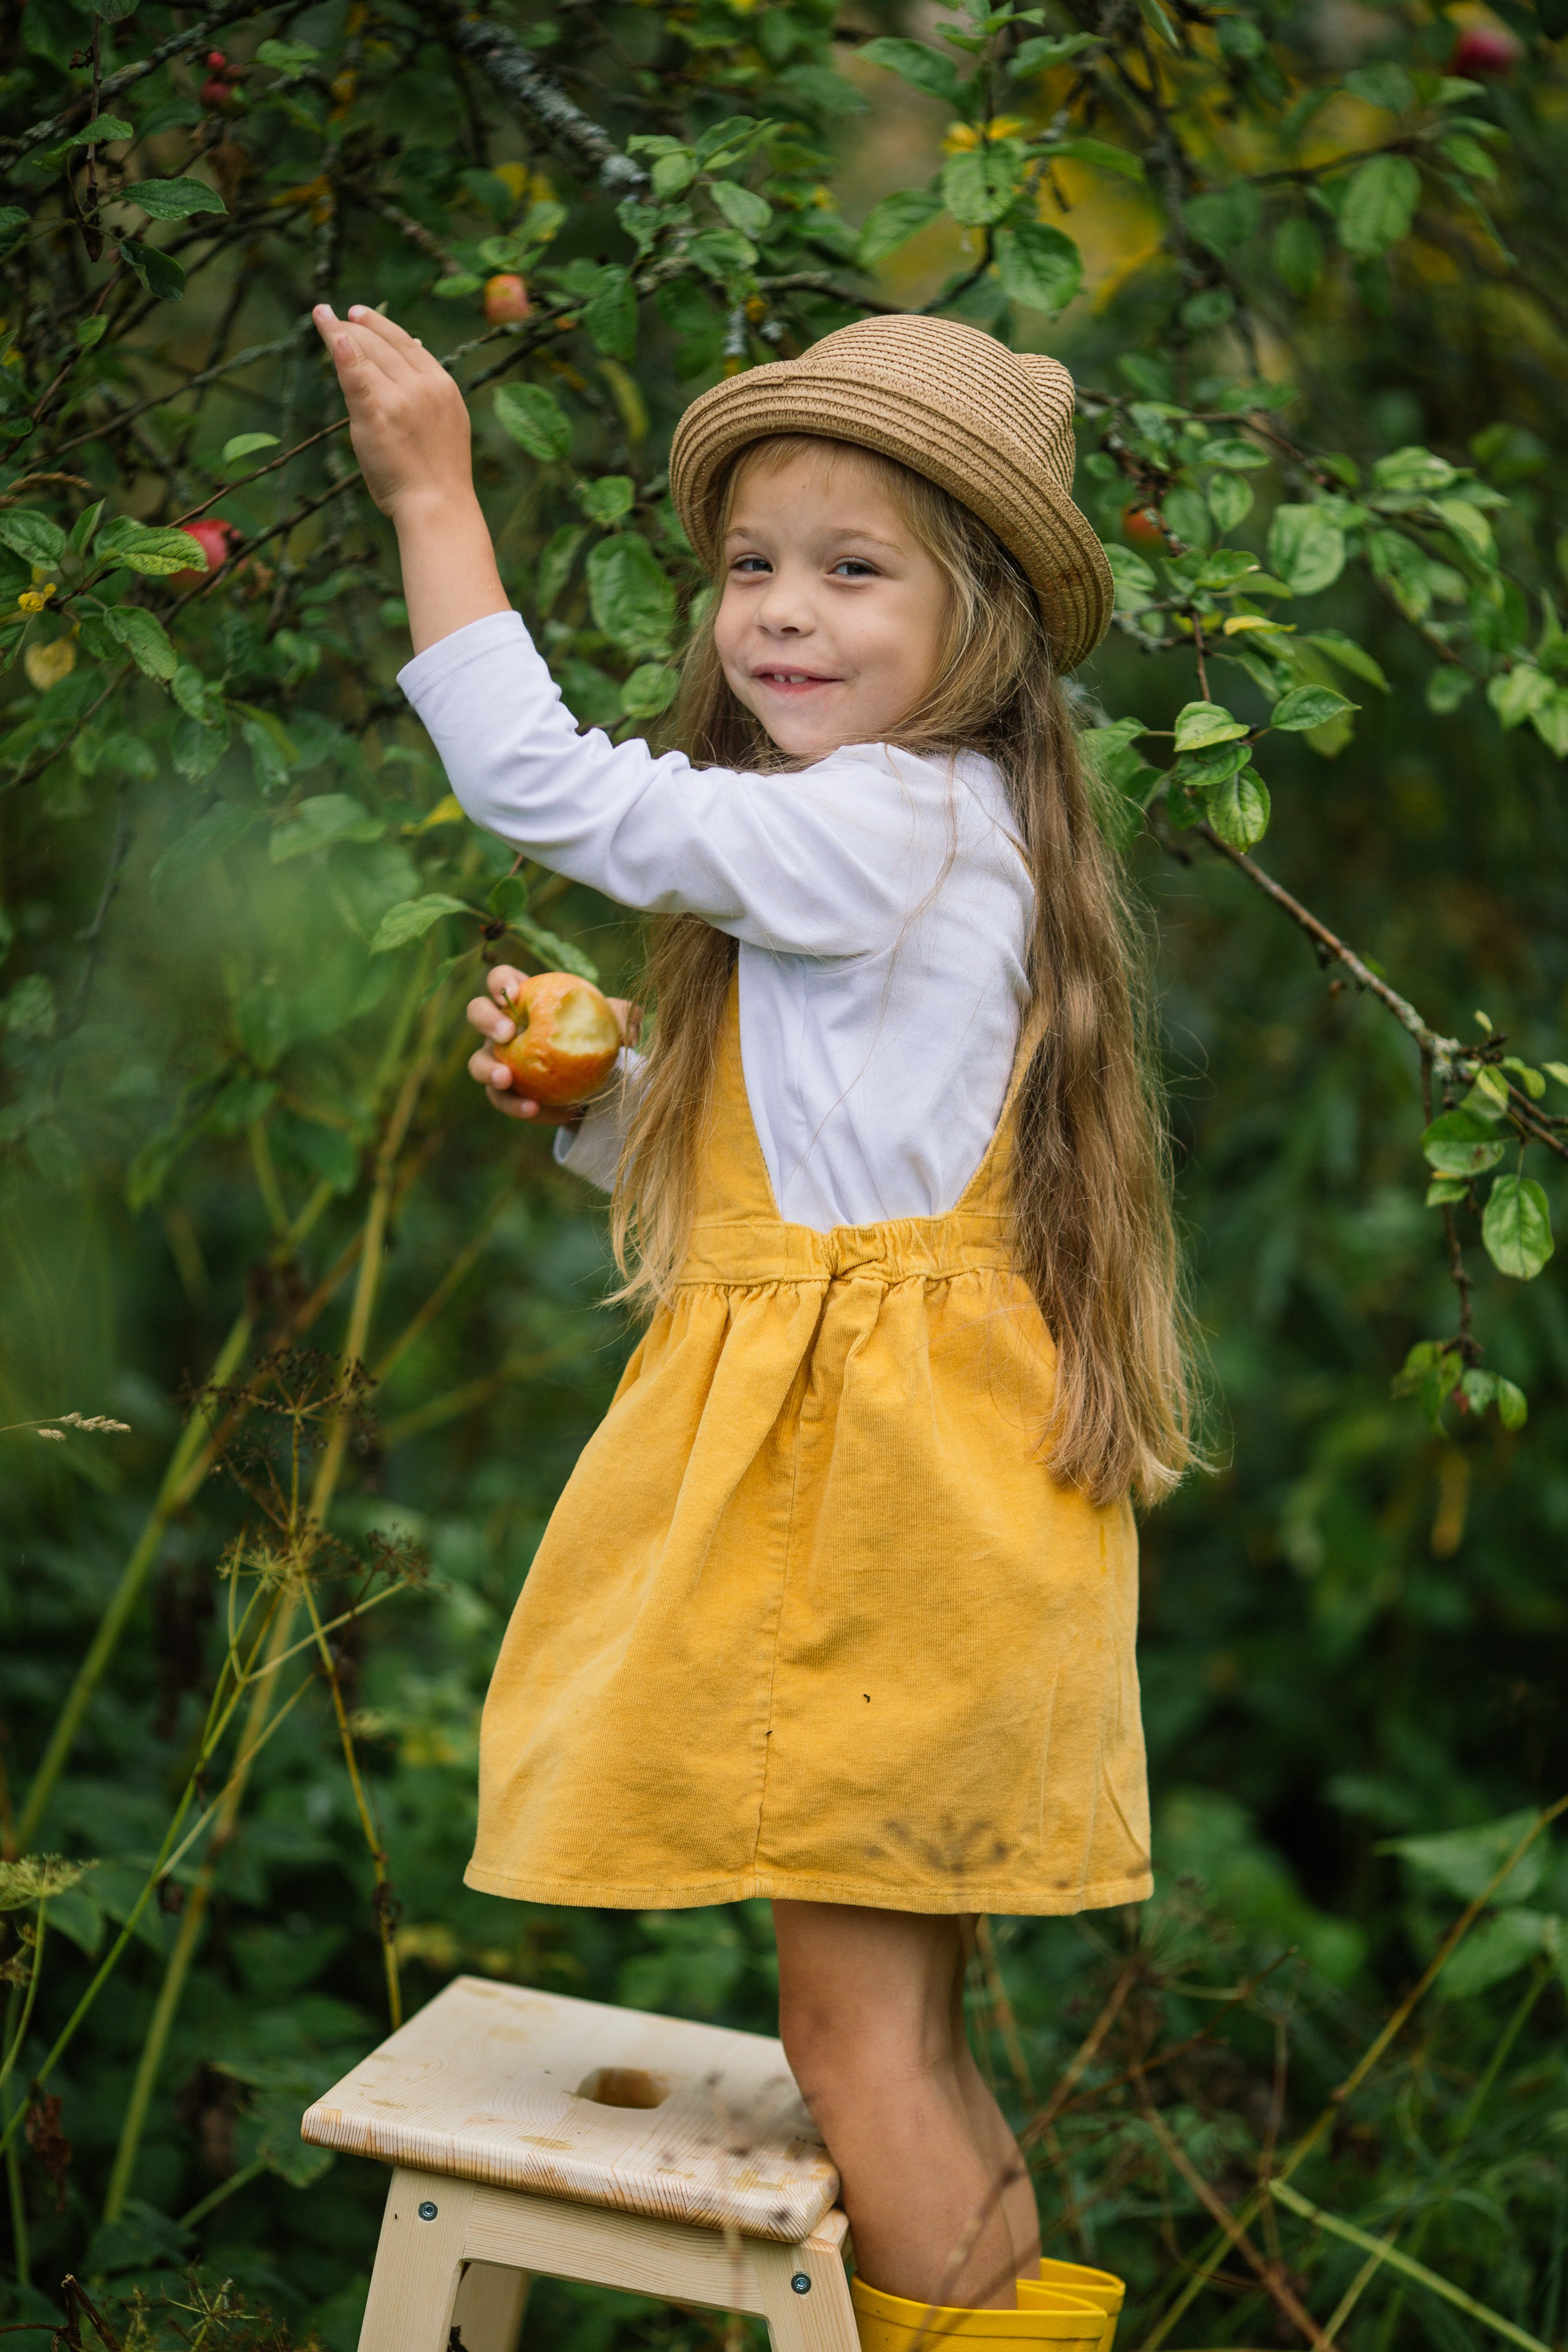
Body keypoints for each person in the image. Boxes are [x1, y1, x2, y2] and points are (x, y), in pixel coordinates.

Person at [314, 299, 1194, 2351]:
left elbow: (545, 783)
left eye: (852, 570)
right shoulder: (924, 831)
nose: (781, 618)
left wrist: (434, 498)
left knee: (854, 2035)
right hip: (923, 1515)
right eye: (752, 570)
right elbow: (804, 1182)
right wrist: (607, 1103)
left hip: (884, 1527)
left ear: (980, 618)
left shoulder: (890, 820)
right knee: (902, 2038)